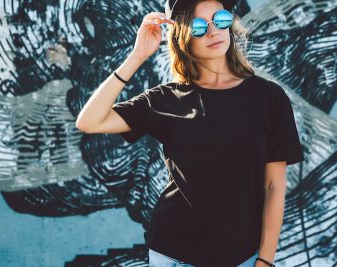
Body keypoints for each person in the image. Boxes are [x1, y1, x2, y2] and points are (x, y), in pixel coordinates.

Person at [76, 0, 305, 266]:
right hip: (173, 253)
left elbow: (275, 186)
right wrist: (137, 56)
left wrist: (265, 260)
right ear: (183, 37)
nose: (212, 31)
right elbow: (89, 121)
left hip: (241, 257)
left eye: (219, 19)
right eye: (198, 27)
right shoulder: (165, 99)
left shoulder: (269, 98)